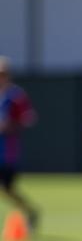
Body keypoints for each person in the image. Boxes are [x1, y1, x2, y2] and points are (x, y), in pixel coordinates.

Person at [0, 57, 40, 232]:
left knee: (7, 188)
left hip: (8, 151)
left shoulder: (16, 96)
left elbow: (29, 118)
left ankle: (30, 210)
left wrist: (12, 124)